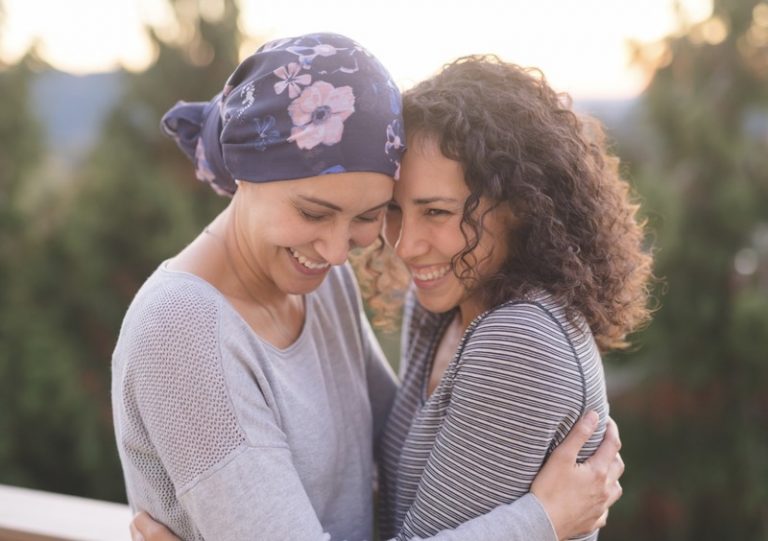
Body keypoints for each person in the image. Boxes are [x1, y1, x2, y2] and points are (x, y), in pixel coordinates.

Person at [118, 35, 623, 541]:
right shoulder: (180, 330)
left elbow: (396, 464)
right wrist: (540, 521)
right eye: (314, 213)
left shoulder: (320, 285)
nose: (339, 252)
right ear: (244, 173)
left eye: (367, 216)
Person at [368, 55, 651, 541]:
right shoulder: (442, 309)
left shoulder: (520, 341)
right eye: (395, 210)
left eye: (437, 212)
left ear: (522, 205)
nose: (405, 245)